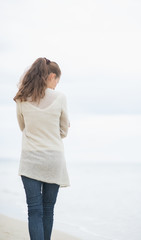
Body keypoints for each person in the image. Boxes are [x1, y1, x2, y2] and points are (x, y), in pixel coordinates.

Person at [13, 57, 70, 240]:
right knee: (48, 210)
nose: (55, 86)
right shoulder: (60, 97)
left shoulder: (22, 98)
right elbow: (63, 131)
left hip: (30, 160)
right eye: (56, 81)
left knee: (34, 211)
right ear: (51, 76)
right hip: (53, 159)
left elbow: (23, 127)